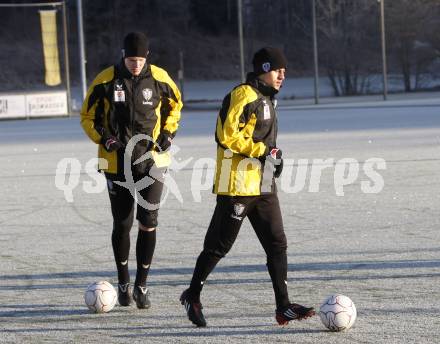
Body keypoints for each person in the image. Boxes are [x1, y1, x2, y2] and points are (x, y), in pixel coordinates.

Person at [180, 47, 315, 327]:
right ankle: (192, 295)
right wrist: (262, 151)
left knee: (277, 244)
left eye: (284, 72)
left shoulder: (267, 99)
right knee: (219, 247)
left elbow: (262, 141)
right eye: (278, 70)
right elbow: (225, 136)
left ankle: (283, 307)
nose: (282, 75)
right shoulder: (243, 94)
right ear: (264, 68)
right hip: (238, 183)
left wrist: (273, 157)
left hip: (263, 183)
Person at [80, 32, 182, 309]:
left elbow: (176, 107)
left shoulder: (160, 78)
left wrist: (169, 134)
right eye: (130, 59)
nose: (135, 64)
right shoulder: (105, 80)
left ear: (146, 56)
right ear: (123, 55)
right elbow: (87, 116)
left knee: (149, 221)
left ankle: (142, 286)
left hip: (153, 162)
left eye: (139, 59)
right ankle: (124, 282)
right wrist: (105, 138)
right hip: (115, 163)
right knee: (122, 223)